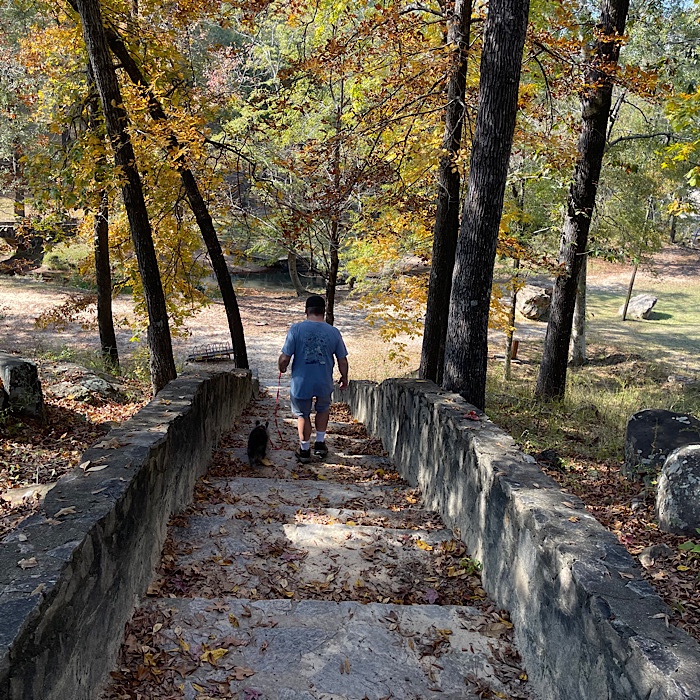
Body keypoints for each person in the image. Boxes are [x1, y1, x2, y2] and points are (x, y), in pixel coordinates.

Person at [278, 294, 349, 463]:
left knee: (303, 414)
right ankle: (320, 444)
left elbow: (285, 358)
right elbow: (342, 360)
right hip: (324, 380)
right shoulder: (333, 332)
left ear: (306, 311)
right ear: (323, 311)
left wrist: (282, 367)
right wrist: (344, 377)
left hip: (301, 382)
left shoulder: (296, 329)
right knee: (323, 409)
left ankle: (304, 451)